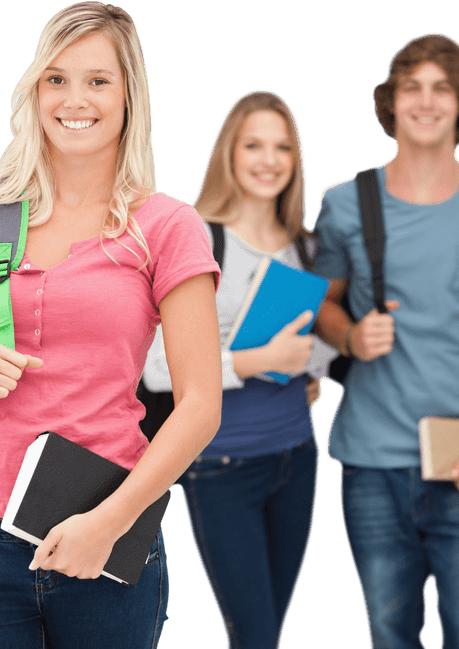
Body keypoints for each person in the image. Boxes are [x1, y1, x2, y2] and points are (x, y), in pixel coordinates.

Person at [0, 3, 222, 647]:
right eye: (56, 78)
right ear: (34, 89)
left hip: (106, 528)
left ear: (129, 95)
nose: (75, 99)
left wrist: (110, 522)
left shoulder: (165, 227)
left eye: (98, 80)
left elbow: (201, 406)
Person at [312, 33, 459, 649]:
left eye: (442, 89)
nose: (426, 101)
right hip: (371, 459)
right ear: (391, 103)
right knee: (389, 630)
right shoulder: (345, 202)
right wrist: (350, 334)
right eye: (413, 88)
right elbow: (318, 306)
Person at [142, 90, 335, 649]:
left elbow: (309, 345)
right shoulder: (197, 235)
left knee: (268, 631)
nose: (268, 159)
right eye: (254, 144)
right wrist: (260, 360)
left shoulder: (306, 245)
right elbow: (158, 368)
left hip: (296, 460)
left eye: (282, 147)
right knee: (252, 635)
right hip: (222, 466)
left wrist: (308, 365)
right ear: (229, 152)